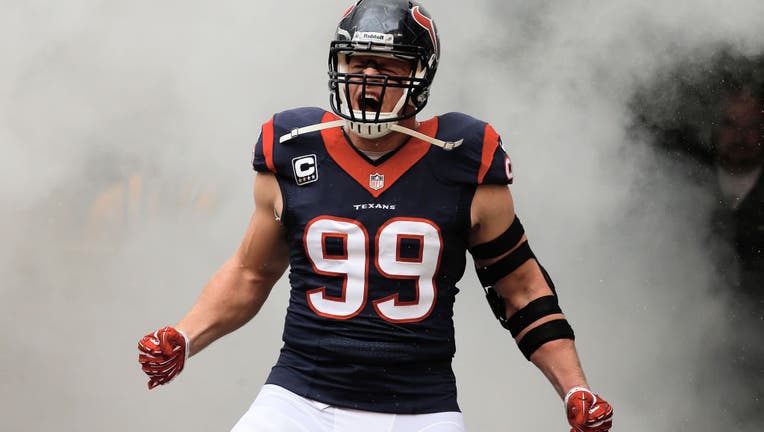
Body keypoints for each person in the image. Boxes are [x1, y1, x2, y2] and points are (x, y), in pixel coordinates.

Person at [137, 1, 614, 431]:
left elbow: (521, 289)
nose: (366, 79)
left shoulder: (465, 157)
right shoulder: (291, 147)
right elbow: (250, 272)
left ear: (419, 75)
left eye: (385, 65)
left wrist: (575, 389)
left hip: (421, 408)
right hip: (298, 399)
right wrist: (185, 335)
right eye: (354, 62)